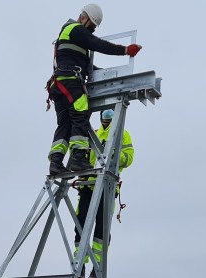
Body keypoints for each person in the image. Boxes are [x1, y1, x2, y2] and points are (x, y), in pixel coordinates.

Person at [47, 4, 141, 176]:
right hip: (70, 84)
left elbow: (89, 68)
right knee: (80, 116)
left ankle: (56, 162)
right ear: (84, 18)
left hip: (59, 85)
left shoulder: (72, 40)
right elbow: (98, 44)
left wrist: (109, 75)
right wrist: (125, 50)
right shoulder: (74, 29)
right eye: (91, 27)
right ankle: (79, 158)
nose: (91, 32)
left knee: (65, 125)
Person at [74, 108, 134, 278]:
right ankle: (79, 265)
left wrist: (114, 155)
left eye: (109, 116)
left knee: (102, 228)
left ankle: (96, 266)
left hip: (107, 186)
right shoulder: (95, 133)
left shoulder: (122, 134)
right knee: (80, 226)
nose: (106, 120)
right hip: (88, 185)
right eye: (104, 116)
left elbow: (129, 157)